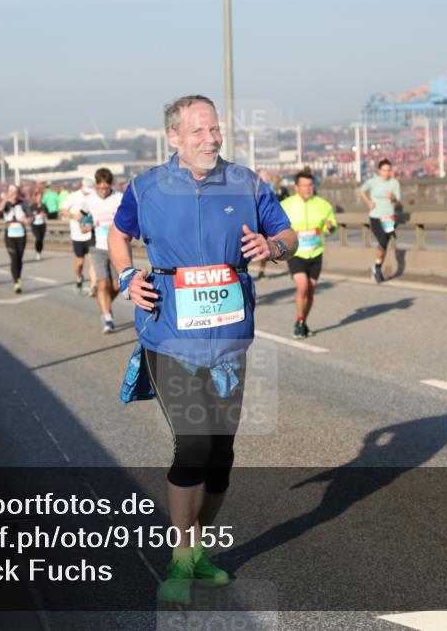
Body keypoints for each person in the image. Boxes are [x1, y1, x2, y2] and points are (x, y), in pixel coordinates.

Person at [109, 94, 296, 605]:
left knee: (221, 454)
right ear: (174, 137)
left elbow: (288, 234)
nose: (211, 139)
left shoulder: (245, 182)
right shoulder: (146, 187)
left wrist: (274, 247)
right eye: (198, 131)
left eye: (215, 129)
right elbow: (118, 234)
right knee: (193, 442)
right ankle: (180, 558)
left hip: (229, 338)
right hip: (169, 334)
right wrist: (126, 276)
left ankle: (197, 550)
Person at [281, 170, 337, 338]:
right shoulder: (286, 205)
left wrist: (330, 227)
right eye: (303, 185)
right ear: (296, 187)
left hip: (315, 252)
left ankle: (302, 322)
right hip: (295, 252)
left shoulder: (323, 205)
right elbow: (275, 226)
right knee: (303, 286)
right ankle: (299, 321)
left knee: (311, 290)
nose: (307, 188)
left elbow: (331, 226)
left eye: (310, 185)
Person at [81, 168, 123, 333]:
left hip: (117, 247)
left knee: (117, 286)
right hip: (97, 247)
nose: (104, 191)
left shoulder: (119, 198)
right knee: (102, 283)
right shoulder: (89, 200)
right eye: (101, 188)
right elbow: (83, 216)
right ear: (96, 185)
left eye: (106, 188)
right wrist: (84, 225)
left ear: (111, 185)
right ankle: (107, 318)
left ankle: (105, 305)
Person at [359, 158, 402, 283]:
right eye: (384, 170)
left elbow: (398, 202)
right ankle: (377, 269)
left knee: (384, 245)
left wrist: (393, 198)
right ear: (379, 171)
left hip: (388, 218)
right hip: (375, 216)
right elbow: (362, 191)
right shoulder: (373, 181)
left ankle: (377, 268)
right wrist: (368, 202)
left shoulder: (394, 183)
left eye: (388, 170)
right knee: (382, 241)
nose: (386, 173)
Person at [64, 179, 97, 294]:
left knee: (92, 261)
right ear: (82, 186)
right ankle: (79, 277)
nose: (88, 192)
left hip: (91, 234)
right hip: (77, 235)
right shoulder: (73, 196)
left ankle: (93, 286)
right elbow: (63, 210)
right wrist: (73, 216)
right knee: (80, 263)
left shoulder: (94, 196)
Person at [1, 185, 28, 293]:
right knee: (14, 258)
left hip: (21, 235)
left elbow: (29, 215)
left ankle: (18, 279)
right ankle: (16, 282)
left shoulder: (23, 204)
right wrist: (6, 197)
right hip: (10, 235)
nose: (13, 194)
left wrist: (28, 219)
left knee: (19, 259)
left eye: (15, 192)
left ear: (18, 193)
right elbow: (0, 208)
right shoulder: (7, 204)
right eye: (11, 192)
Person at [30, 190, 48, 261]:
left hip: (42, 224)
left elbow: (47, 214)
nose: (39, 199)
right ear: (36, 198)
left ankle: (39, 252)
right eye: (38, 197)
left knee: (41, 239)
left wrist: (44, 214)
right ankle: (37, 252)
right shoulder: (32, 206)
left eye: (40, 197)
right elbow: (29, 214)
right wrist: (33, 214)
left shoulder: (44, 206)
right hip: (35, 225)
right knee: (38, 238)